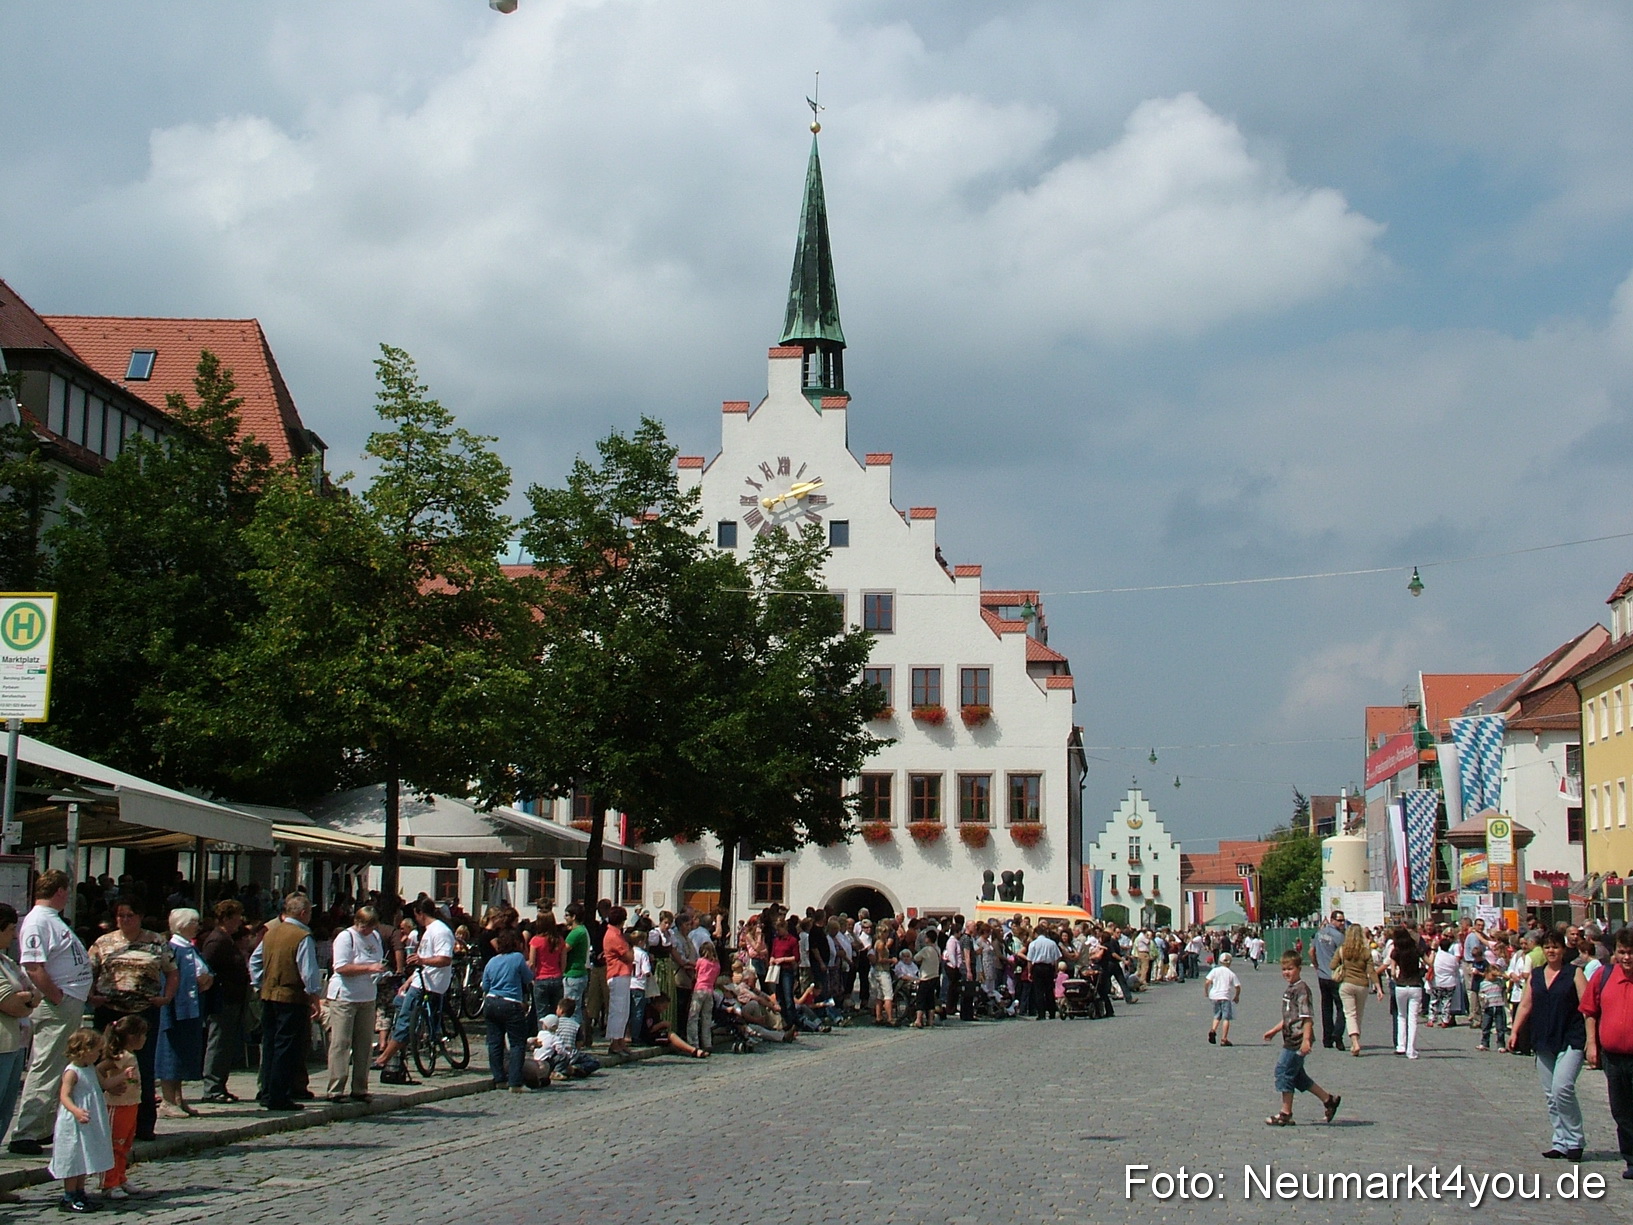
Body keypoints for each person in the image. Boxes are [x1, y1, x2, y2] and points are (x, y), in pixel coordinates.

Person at [10, 871, 94, 1157]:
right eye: (66, 891)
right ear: (60, 891)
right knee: (46, 1065)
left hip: (68, 999)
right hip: (58, 1002)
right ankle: (27, 1131)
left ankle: (43, 1124)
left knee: (59, 1064)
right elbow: (34, 966)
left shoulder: (50, 920)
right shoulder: (38, 921)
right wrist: (58, 997)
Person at [87, 897, 176, 1143]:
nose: (125, 920)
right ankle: (104, 1121)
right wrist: (91, 995)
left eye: (130, 916)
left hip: (142, 1011)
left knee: (143, 1066)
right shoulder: (104, 942)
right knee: (106, 1062)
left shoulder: (156, 941)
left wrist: (166, 997)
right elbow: (89, 971)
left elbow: (172, 971)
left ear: (139, 917)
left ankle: (143, 1124)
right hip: (111, 1010)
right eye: (120, 916)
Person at [1508, 929, 1591, 1161]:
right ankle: (1560, 1141)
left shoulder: (1574, 973)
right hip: (1544, 1039)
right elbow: (1525, 1004)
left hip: (1570, 1038)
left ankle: (1575, 1140)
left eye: (1555, 946)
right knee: (1550, 1095)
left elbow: (1587, 1008)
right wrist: (1515, 1031)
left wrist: (1592, 1040)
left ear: (1563, 950)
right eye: (1547, 947)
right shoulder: (1536, 975)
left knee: (1562, 1088)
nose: (1551, 951)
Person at [249, 893, 323, 1111]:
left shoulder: (271, 933)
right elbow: (308, 972)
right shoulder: (301, 936)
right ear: (302, 913)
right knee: (287, 1046)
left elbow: (255, 961)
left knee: (270, 1044)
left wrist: (259, 984)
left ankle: (267, 1091)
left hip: (268, 995)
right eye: (309, 912)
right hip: (291, 997)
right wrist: (314, 997)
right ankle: (279, 1094)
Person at [376, 898, 454, 1086]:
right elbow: (424, 961)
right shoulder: (429, 931)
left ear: (419, 913)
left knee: (404, 1020)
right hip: (423, 980)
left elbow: (444, 959)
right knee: (402, 1008)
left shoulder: (439, 931)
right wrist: (410, 979)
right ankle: (400, 1052)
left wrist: (421, 961)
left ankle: (384, 1060)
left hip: (431, 984)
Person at [1262, 950, 1342, 1126]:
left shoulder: (1302, 989)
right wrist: (1274, 1030)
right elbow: (1290, 1017)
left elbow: (1307, 1018)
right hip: (1289, 1036)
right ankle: (1329, 1100)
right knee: (1297, 1076)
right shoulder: (1290, 989)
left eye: (1290, 968)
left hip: (1298, 1040)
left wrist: (1306, 1040)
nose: (1286, 972)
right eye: (1284, 969)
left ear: (1299, 968)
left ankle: (1285, 1113)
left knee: (1283, 1071)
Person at [1581, 926, 1633, 1181]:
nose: (1627, 958)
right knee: (1621, 1111)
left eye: (1631, 953)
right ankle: (1631, 1159)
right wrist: (1592, 1044)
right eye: (1623, 952)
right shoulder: (1604, 975)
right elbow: (1589, 1011)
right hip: (1613, 1056)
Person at [49, 1027, 117, 1214]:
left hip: (89, 1121)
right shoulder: (72, 1072)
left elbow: (104, 1085)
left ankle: (80, 1192)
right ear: (84, 1050)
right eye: (96, 1051)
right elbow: (64, 1096)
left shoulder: (91, 1069)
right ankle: (69, 1195)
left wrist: (122, 1078)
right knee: (73, 1157)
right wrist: (76, 1111)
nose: (98, 1055)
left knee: (85, 1155)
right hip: (74, 1123)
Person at [323, 906, 384, 1103]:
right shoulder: (346, 937)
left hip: (367, 995)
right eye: (365, 927)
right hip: (345, 996)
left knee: (364, 1044)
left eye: (371, 927)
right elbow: (341, 967)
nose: (367, 931)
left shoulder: (374, 937)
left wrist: (380, 971)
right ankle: (336, 1089)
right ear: (358, 923)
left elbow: (377, 960)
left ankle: (360, 1087)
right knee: (341, 1042)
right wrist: (368, 967)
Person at [156, 909, 213, 1118]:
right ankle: (167, 1100)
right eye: (194, 922)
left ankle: (179, 1098)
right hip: (175, 1009)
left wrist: (208, 979)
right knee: (170, 1052)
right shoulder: (172, 949)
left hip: (191, 1010)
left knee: (182, 1054)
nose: (198, 926)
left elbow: (204, 970)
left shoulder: (191, 948)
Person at [0, 901, 40, 1180]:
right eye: (11, 929)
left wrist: (27, 998)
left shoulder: (6, 962)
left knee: (4, 1113)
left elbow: (32, 993)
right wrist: (26, 999)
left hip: (14, 1045)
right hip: (1, 1046)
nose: (15, 936)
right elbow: (11, 1003)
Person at [198, 900, 249, 1104]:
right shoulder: (217, 940)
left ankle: (220, 1084)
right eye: (236, 916)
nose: (239, 921)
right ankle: (212, 1087)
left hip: (232, 999)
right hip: (222, 1000)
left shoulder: (226, 938)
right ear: (227, 918)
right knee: (218, 1042)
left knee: (226, 1043)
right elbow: (205, 967)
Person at [97, 1016, 146, 1201]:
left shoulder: (130, 1056)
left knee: (124, 1145)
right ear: (132, 1036)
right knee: (113, 1145)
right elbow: (99, 1069)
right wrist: (108, 1085)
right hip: (116, 1106)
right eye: (142, 1035)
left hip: (131, 1104)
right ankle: (108, 1183)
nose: (144, 1039)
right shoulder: (121, 1056)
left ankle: (120, 1177)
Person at [481, 929, 533, 1092]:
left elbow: (485, 985)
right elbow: (528, 978)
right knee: (517, 1043)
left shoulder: (492, 961)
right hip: (510, 1002)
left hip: (491, 1002)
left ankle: (499, 1079)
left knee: (495, 1042)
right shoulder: (517, 958)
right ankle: (515, 1082)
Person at [1330, 924, 1383, 1057]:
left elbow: (1332, 965)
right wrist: (1378, 987)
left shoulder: (1342, 950)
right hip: (1362, 985)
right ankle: (1356, 1040)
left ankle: (1354, 1042)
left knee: (1350, 1014)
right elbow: (1371, 971)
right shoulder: (1365, 952)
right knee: (1358, 1014)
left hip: (1346, 984)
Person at [1384, 924, 1425, 1059]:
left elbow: (1393, 972)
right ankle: (1411, 1050)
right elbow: (1429, 962)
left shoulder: (1396, 952)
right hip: (1415, 985)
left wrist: (1396, 976)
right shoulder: (1416, 950)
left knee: (1401, 1016)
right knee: (1412, 1018)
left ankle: (1401, 1045)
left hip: (1401, 985)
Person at [1310, 911, 1347, 1050]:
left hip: (1322, 975)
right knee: (1341, 1007)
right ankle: (1337, 1034)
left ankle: (1327, 1039)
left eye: (1343, 920)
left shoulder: (1319, 933)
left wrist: (1316, 966)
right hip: (1335, 976)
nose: (1342, 923)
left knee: (1326, 1007)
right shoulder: (1339, 937)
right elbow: (1344, 956)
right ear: (1332, 920)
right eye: (1339, 920)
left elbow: (1311, 952)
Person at [602, 907, 634, 1056]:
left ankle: (620, 1041)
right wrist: (630, 947)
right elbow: (629, 956)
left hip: (623, 973)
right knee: (618, 1010)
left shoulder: (617, 934)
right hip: (617, 974)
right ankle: (615, 1042)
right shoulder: (614, 935)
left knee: (624, 1010)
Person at [1204, 951, 1241, 1046]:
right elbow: (1237, 986)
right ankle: (1224, 1039)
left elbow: (1207, 982)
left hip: (1214, 995)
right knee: (1226, 1018)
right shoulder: (1231, 973)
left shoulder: (1215, 970)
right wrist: (1236, 996)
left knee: (1217, 1015)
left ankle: (1213, 1030)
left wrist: (1206, 991)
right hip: (1225, 996)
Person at [688, 941, 720, 1053]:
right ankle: (707, 1042)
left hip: (699, 989)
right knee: (707, 1018)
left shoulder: (701, 961)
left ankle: (693, 1042)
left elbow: (696, 974)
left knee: (694, 1016)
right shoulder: (716, 965)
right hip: (710, 991)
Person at [1024, 925, 1061, 1021]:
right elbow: (1056, 958)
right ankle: (1052, 1012)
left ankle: (1041, 1014)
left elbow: (1029, 959)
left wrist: (1029, 972)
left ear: (1036, 933)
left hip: (1037, 967)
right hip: (1048, 967)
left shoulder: (1033, 944)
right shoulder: (1052, 943)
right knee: (1049, 991)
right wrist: (1056, 970)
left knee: (1039, 991)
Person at [1477, 966, 1510, 1052]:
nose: (1494, 977)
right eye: (1492, 975)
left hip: (1499, 1005)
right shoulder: (1483, 983)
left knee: (1500, 1027)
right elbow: (1480, 994)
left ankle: (1501, 1044)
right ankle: (1484, 1043)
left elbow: (1507, 978)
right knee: (1486, 1026)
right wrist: (1482, 998)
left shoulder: (1499, 982)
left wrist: (1500, 974)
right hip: (1488, 1006)